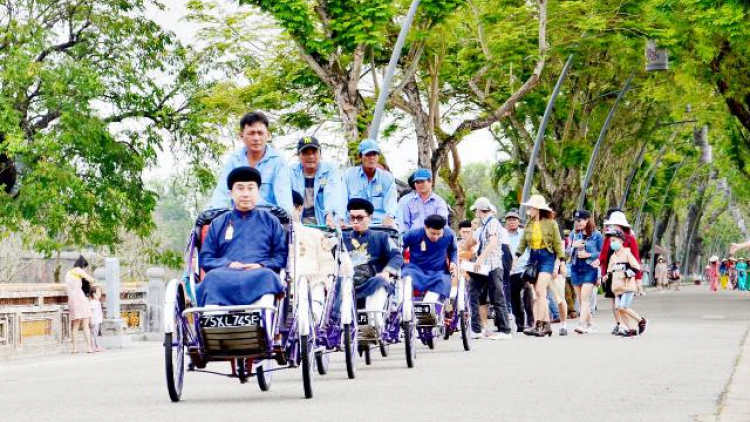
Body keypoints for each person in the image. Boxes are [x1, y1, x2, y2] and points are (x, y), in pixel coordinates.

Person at [197, 167, 288, 308]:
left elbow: (280, 256)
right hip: (225, 275)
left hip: (259, 275)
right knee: (212, 278)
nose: (246, 194)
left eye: (250, 188)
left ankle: (263, 319)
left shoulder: (271, 221)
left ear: (258, 192)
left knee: (268, 276)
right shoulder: (218, 223)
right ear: (231, 193)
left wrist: (261, 265)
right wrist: (227, 264)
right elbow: (206, 259)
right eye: (240, 188)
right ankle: (213, 319)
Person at [208, 111, 293, 214]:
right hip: (238, 218)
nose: (256, 138)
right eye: (251, 133)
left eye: (260, 133)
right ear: (241, 135)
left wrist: (285, 218)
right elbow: (221, 194)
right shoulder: (234, 160)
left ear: (268, 135)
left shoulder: (278, 161)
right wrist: (212, 215)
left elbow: (284, 199)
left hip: (269, 220)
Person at [342, 198, 403, 338]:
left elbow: (396, 257)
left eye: (359, 218)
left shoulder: (382, 237)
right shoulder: (342, 238)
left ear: (369, 218)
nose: (355, 222)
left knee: (380, 282)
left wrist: (387, 272)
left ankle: (373, 324)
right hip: (348, 282)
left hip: (373, 279)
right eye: (352, 218)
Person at [516, 195, 565, 337]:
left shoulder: (551, 223)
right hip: (533, 258)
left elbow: (557, 243)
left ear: (538, 209)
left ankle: (540, 324)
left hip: (547, 257)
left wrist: (562, 262)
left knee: (540, 290)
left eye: (531, 207)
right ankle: (545, 324)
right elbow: (523, 243)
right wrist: (516, 256)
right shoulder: (529, 224)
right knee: (538, 294)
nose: (529, 209)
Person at [466, 197, 512, 340]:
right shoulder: (485, 225)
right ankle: (476, 329)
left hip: (492, 266)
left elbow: (492, 243)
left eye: (476, 211)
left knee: (497, 297)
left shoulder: (492, 223)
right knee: (473, 292)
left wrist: (480, 258)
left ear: (480, 211)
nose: (475, 213)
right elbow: (470, 243)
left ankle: (505, 330)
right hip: (484, 267)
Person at [594, 210, 646, 336]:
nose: (611, 227)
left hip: (625, 276)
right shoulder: (608, 238)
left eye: (614, 224)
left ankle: (635, 323)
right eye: (611, 225)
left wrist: (638, 281)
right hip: (612, 274)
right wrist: (599, 263)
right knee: (615, 302)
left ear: (621, 225)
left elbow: (636, 260)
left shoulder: (630, 239)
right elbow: (603, 255)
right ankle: (620, 324)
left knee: (623, 304)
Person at [401, 214, 458, 323]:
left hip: (439, 271)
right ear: (425, 228)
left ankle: (427, 307)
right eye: (432, 233)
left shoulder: (449, 234)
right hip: (415, 270)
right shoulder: (413, 234)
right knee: (406, 275)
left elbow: (453, 251)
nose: (435, 237)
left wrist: (453, 262)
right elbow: (400, 249)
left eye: (438, 233)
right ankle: (406, 309)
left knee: (442, 280)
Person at [291, 190, 336, 325]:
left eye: (289, 207)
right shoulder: (274, 234)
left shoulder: (314, 233)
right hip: (287, 281)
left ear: (299, 209)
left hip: (313, 279)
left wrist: (328, 279)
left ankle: (314, 318)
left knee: (317, 282)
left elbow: (327, 261)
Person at [289, 136, 346, 228]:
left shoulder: (330, 170)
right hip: (298, 222)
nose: (311, 156)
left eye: (314, 152)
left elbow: (332, 193)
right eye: (305, 153)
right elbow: (286, 197)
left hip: (324, 222)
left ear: (320, 153)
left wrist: (329, 215)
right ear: (298, 155)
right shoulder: (290, 171)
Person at [343, 139, 398, 227]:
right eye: (368, 154)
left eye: (375, 154)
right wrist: (341, 219)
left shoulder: (387, 177)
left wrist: (390, 217)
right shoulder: (349, 175)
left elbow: (392, 201)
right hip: (354, 224)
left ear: (378, 157)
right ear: (360, 157)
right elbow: (342, 200)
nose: (372, 157)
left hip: (380, 224)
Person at [567, 210, 603, 334]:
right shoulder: (573, 234)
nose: (577, 223)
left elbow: (602, 253)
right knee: (581, 300)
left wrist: (589, 254)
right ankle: (591, 324)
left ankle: (581, 324)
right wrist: (573, 246)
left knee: (585, 297)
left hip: (589, 268)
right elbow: (567, 252)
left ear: (587, 220)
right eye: (576, 221)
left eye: (580, 220)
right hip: (575, 268)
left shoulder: (597, 235)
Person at [605, 228, 642, 337]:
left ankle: (641, 321)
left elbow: (636, 267)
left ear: (621, 241)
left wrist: (626, 274)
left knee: (623, 308)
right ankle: (631, 329)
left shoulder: (627, 253)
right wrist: (606, 276)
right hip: (617, 288)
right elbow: (610, 270)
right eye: (611, 241)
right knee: (619, 309)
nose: (612, 243)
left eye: (615, 240)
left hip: (627, 287)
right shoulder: (612, 257)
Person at [504, 209, 535, 333]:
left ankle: (531, 322)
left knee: (528, 294)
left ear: (518, 221)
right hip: (510, 271)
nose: (511, 222)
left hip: (524, 268)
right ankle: (520, 324)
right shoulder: (503, 234)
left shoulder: (524, 233)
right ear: (506, 222)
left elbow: (531, 249)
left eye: (514, 220)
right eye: (509, 220)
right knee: (514, 298)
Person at [397, 168, 449, 232]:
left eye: (422, 181)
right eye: (417, 182)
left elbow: (441, 223)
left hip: (433, 237)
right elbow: (405, 225)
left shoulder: (439, 202)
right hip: (413, 238)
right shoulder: (409, 202)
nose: (419, 184)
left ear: (430, 182)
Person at [65, 256, 94, 353]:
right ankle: (89, 347)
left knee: (75, 325)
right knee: (85, 324)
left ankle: (75, 348)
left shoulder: (68, 273)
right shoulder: (78, 270)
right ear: (82, 265)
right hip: (80, 298)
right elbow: (91, 279)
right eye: (84, 267)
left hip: (71, 299)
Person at [88, 286, 105, 352]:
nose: (100, 293)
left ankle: (96, 346)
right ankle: (94, 346)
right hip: (94, 321)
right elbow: (90, 312)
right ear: (94, 294)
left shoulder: (97, 302)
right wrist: (90, 321)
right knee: (93, 334)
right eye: (99, 291)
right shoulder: (92, 302)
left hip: (97, 320)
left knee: (96, 333)